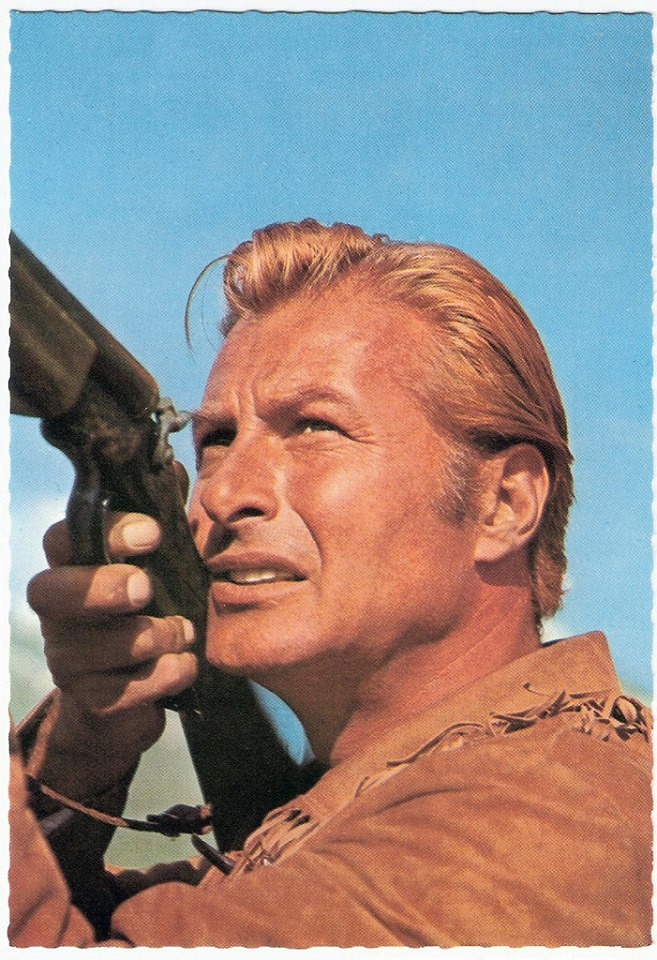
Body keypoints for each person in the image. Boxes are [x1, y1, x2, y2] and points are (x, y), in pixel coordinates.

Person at [9, 219, 652, 947]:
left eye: (315, 428)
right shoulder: (373, 807)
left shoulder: (542, 823)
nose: (222, 494)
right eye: (217, 439)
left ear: (503, 504)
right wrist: (89, 743)